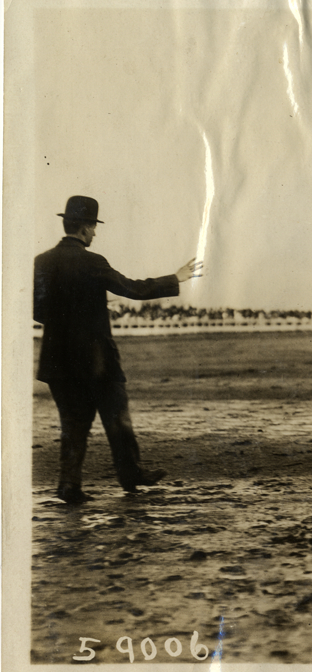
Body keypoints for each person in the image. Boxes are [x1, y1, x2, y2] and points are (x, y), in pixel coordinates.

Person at [34, 196, 203, 504]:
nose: (94, 234)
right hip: (97, 360)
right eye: (93, 228)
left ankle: (69, 486)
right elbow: (133, 289)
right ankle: (131, 475)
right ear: (85, 228)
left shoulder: (42, 262)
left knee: (72, 425)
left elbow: (38, 311)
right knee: (117, 418)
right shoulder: (93, 261)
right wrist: (174, 278)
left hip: (58, 363)